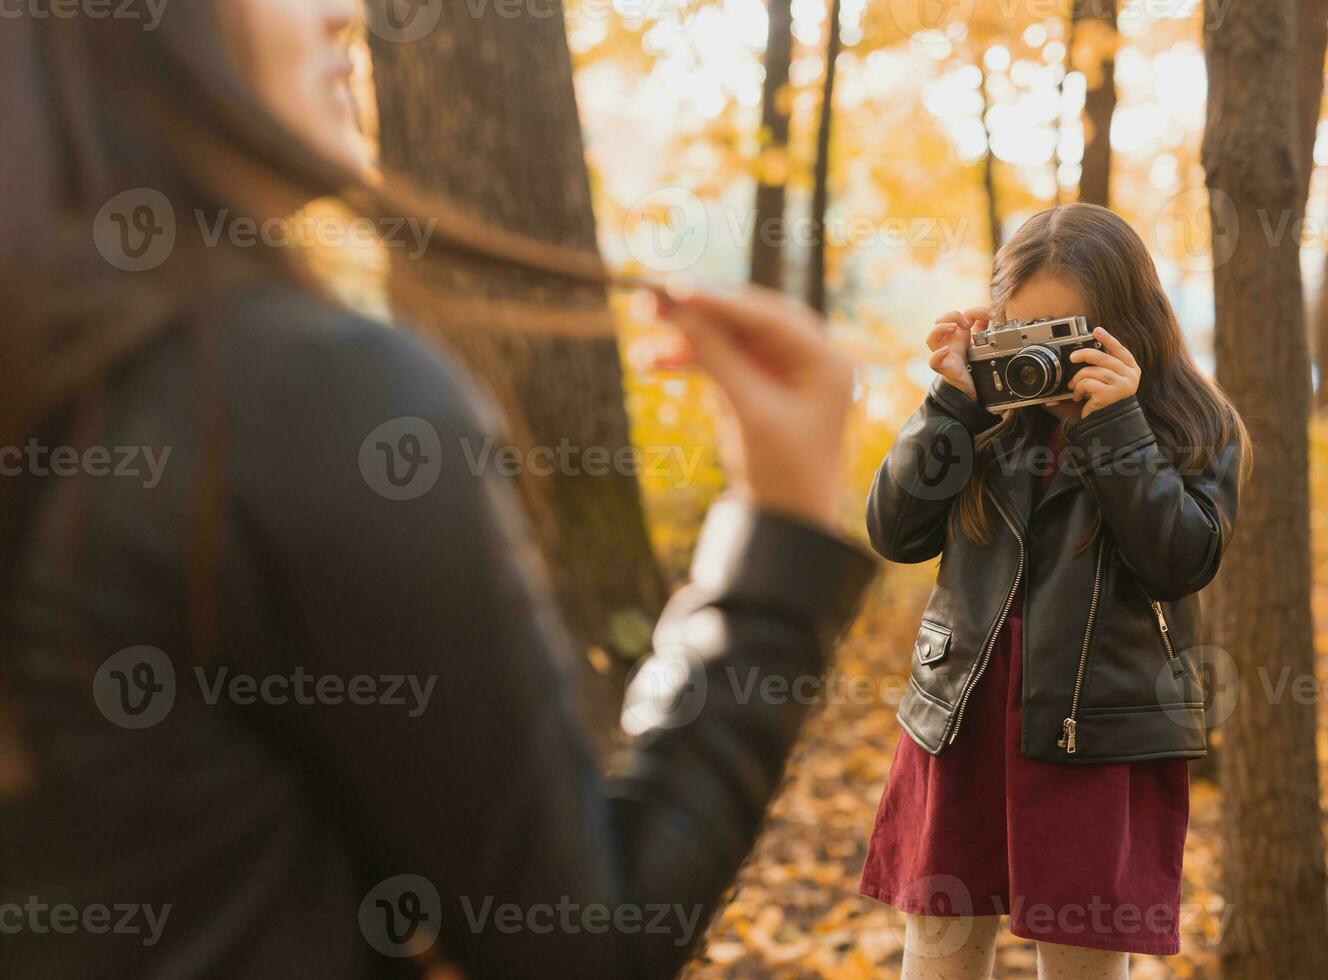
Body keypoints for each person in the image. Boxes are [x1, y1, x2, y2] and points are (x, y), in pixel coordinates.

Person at [0, 3, 873, 977]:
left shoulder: (57, 389)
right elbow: (582, 953)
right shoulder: (301, 390)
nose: (345, 11)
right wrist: (777, 537)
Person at [859, 204, 1249, 979]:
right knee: (936, 960)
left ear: (1125, 321)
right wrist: (951, 405)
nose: (1046, 357)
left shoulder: (1191, 425)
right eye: (1025, 330)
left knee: (1083, 968)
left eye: (1068, 333)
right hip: (964, 713)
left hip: (1097, 731)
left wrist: (1117, 429)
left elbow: (1180, 560)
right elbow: (894, 533)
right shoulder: (987, 416)